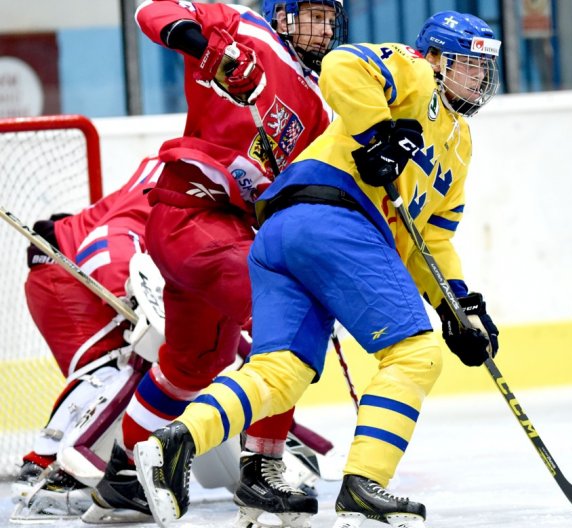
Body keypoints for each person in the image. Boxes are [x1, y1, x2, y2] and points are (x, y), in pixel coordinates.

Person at [133, 9, 502, 528]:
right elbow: (343, 64)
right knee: (414, 354)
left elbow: (432, 240)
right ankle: (363, 490)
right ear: (437, 58)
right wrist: (379, 134)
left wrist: (456, 303)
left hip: (282, 234)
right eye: (467, 65)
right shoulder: (415, 73)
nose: (477, 79)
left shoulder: (458, 148)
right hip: (336, 216)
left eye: (484, 70)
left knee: (280, 371)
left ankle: (174, 444)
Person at [85, 0, 348, 525]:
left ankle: (123, 479)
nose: (319, 29)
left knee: (193, 363)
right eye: (307, 15)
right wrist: (202, 44)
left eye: (327, 18)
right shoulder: (243, 25)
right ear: (279, 15)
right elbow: (151, 11)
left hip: (228, 239)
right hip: (193, 214)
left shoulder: (323, 107)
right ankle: (262, 470)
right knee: (288, 326)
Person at [10, 156, 165, 521]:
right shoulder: (186, 183)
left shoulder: (184, 169)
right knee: (127, 360)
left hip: (62, 267)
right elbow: (108, 238)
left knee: (114, 363)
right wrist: (131, 298)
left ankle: (46, 463)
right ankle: (55, 470)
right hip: (65, 269)